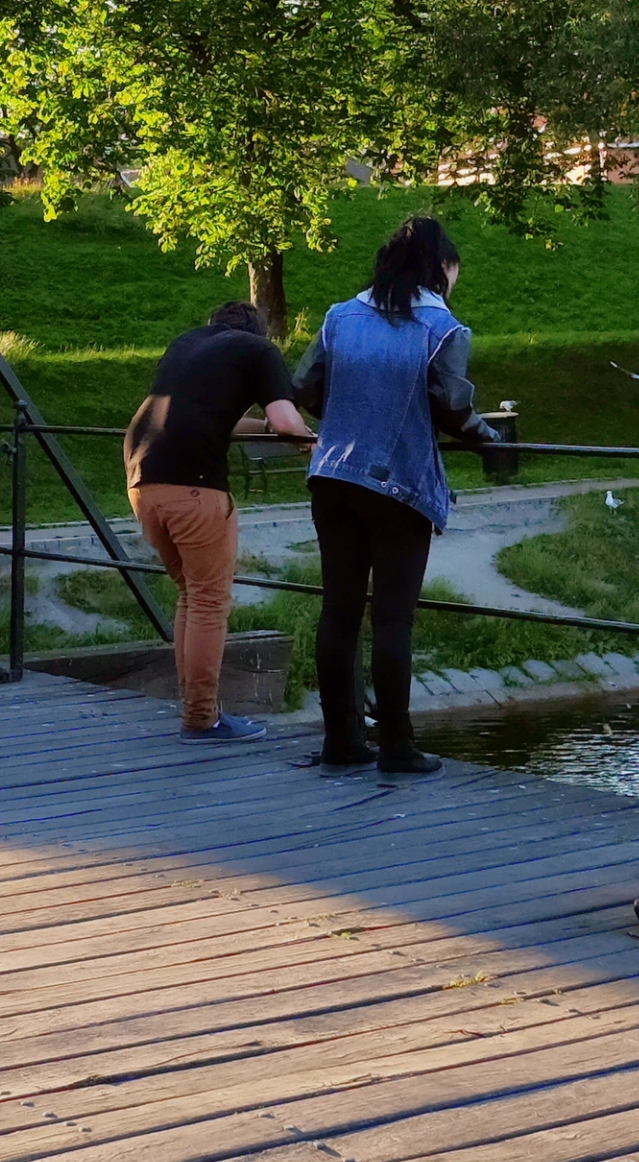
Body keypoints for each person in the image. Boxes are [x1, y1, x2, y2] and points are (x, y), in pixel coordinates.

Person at [293, 215, 492, 777]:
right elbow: (453, 409)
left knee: (339, 611)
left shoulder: (339, 316)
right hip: (398, 486)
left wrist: (348, 413)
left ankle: (341, 742)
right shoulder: (444, 328)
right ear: (441, 268)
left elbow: (304, 386)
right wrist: (490, 439)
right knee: (393, 619)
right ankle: (397, 747)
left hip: (332, 477)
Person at [124, 302, 314, 743]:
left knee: (191, 595)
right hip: (194, 485)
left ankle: (197, 709)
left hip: (142, 479)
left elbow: (212, 417)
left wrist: (265, 429)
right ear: (259, 331)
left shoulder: (187, 344)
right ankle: (200, 718)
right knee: (209, 601)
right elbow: (286, 420)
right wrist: (314, 445)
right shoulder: (259, 350)